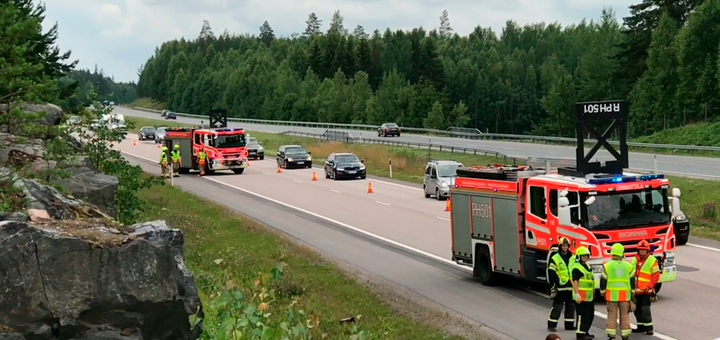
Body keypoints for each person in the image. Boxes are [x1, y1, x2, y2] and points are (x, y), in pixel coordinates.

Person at [600, 243, 635, 340]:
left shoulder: (607, 266)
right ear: (622, 253)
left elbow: (603, 281)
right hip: (625, 296)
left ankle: (611, 335)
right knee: (625, 315)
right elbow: (632, 281)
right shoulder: (629, 266)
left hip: (612, 296)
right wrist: (632, 293)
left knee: (612, 315)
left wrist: (603, 292)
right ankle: (625, 335)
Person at [547, 237, 576, 332]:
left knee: (571, 306)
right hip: (560, 287)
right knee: (557, 307)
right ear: (560, 246)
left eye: (566, 245)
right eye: (563, 246)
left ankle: (569, 325)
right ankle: (551, 325)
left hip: (570, 286)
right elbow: (551, 272)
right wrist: (557, 282)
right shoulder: (555, 258)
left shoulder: (573, 257)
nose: (565, 247)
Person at [631, 240, 659, 335]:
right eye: (640, 250)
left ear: (647, 250)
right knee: (637, 309)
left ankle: (649, 328)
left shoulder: (652, 260)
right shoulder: (634, 260)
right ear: (638, 250)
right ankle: (640, 326)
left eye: (644, 250)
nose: (642, 252)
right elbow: (631, 274)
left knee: (645, 309)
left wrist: (650, 286)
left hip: (646, 291)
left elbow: (656, 275)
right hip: (636, 291)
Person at [571, 246, 595, 340]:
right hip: (580, 297)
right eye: (582, 256)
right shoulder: (577, 268)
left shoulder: (587, 266)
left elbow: (590, 280)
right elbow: (575, 281)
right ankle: (580, 334)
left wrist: (593, 292)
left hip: (588, 297)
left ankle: (585, 331)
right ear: (578, 256)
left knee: (590, 315)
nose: (584, 257)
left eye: (586, 255)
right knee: (582, 315)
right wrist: (577, 294)